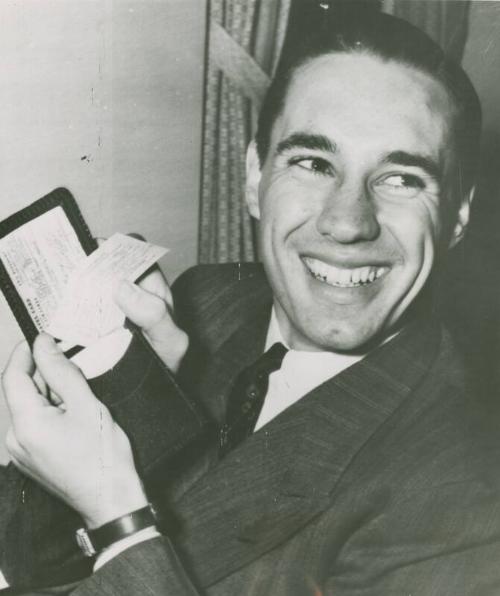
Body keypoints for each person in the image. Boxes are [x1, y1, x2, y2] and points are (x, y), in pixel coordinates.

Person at [2, 7, 500, 595]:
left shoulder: (468, 500)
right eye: (314, 163)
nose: (347, 222)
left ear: (458, 217)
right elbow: (31, 561)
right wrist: (127, 402)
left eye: (400, 179)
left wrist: (120, 519)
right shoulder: (207, 298)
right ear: (254, 176)